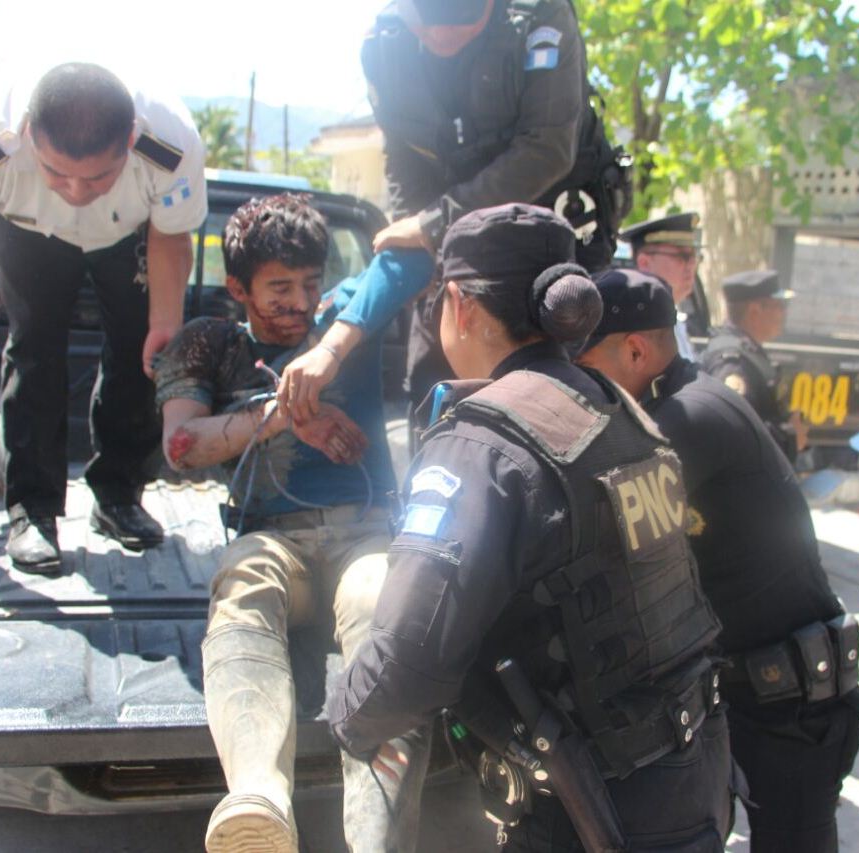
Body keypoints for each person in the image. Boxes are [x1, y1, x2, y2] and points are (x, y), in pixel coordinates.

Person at [328, 204, 731, 851]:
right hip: (691, 775)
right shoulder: (615, 407)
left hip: (591, 808)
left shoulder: (479, 442)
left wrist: (343, 714)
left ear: (458, 304)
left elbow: (407, 666)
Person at [153, 193, 433, 853]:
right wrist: (282, 414)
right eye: (279, 288)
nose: (299, 303)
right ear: (237, 289)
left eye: (310, 283)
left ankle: (379, 838)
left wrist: (330, 350)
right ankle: (257, 800)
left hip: (364, 534)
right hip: (269, 539)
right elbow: (180, 446)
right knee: (241, 586)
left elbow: (414, 258)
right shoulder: (208, 342)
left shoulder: (343, 318)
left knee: (380, 605)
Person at [578, 268, 859, 852]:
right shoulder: (676, 401)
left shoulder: (687, 417)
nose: (577, 383)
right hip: (746, 685)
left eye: (583, 364)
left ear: (635, 350)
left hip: (789, 700)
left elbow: (593, 526)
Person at [362, 0, 629, 412]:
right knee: (435, 391)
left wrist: (433, 224)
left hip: (553, 244)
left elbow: (547, 150)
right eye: (428, 23)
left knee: (566, 398)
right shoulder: (387, 43)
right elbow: (403, 157)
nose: (440, 34)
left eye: (460, 21)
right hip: (457, 255)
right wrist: (420, 241)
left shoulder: (540, 16)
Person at [0, 63, 206, 572]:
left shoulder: (169, 143)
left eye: (96, 176)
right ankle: (33, 511)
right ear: (25, 134)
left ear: (130, 139)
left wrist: (165, 325)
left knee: (141, 353)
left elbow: (171, 234)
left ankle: (118, 496)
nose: (76, 191)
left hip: (125, 233)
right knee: (33, 350)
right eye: (56, 172)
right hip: (26, 230)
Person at [700, 269, 808, 463]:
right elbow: (733, 430)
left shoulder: (747, 351)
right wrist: (790, 438)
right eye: (779, 305)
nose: (784, 312)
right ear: (754, 310)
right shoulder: (732, 361)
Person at [619, 212, 705, 360]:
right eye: (683, 256)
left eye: (695, 257)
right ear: (645, 264)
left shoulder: (673, 320)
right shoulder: (638, 330)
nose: (692, 265)